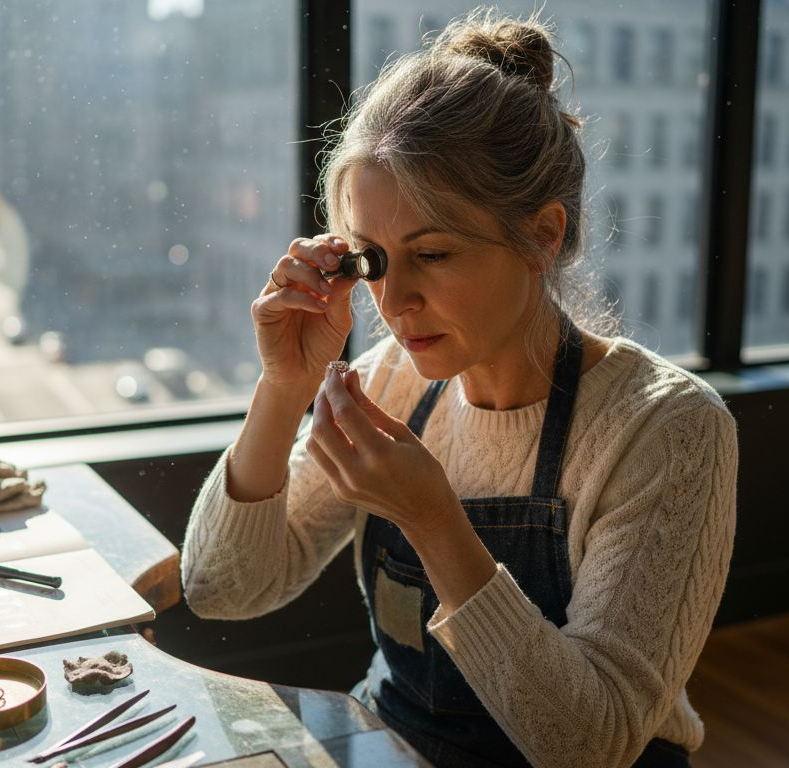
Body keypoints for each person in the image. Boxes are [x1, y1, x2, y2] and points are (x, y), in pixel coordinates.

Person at [181, 10, 737, 768]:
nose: (394, 301)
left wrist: (432, 519)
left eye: (433, 253)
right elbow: (221, 589)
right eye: (373, 260)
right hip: (391, 743)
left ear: (543, 234)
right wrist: (283, 389)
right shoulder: (388, 383)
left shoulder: (666, 429)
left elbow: (591, 743)